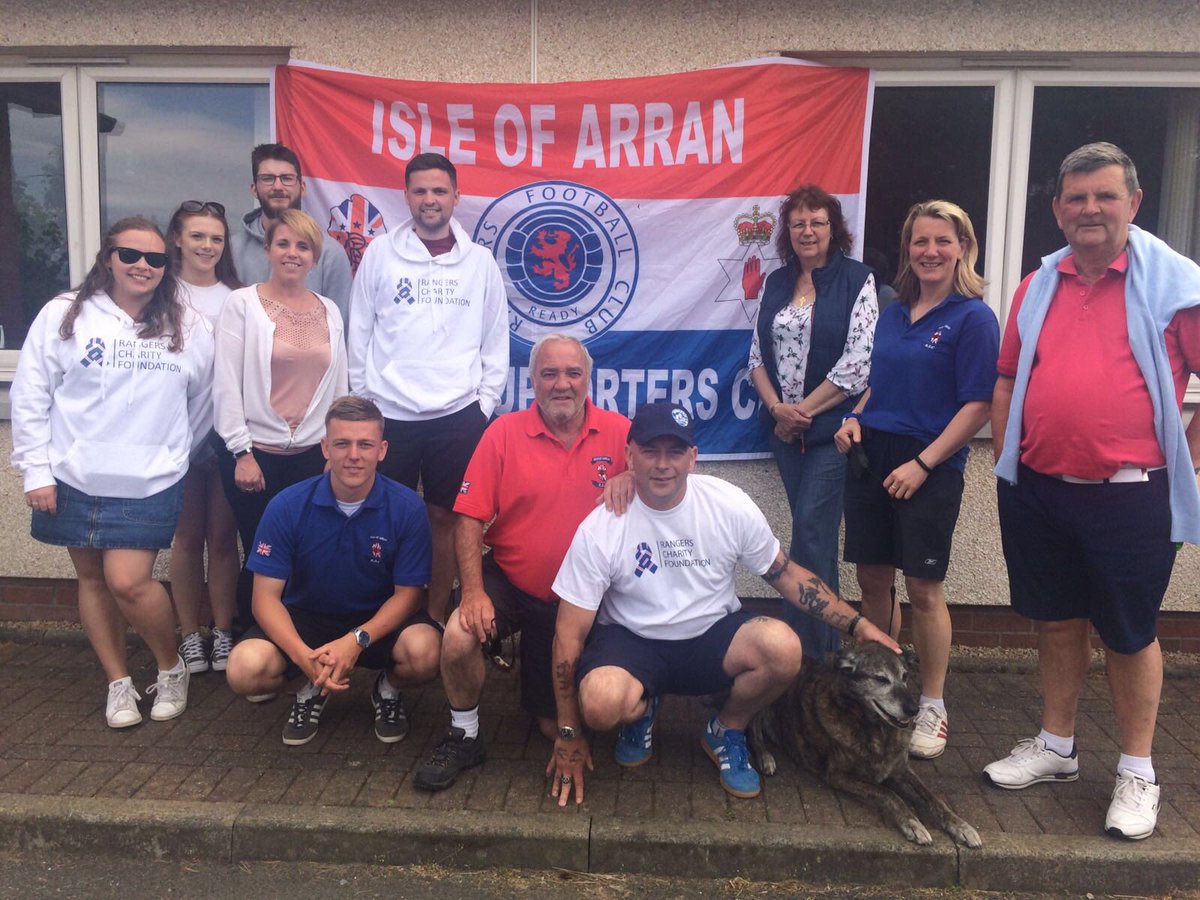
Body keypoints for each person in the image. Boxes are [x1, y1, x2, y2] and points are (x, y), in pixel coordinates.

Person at [984, 143, 1200, 841]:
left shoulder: (1176, 288)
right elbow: (1008, 378)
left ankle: (1138, 771)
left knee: (1129, 634)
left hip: (1132, 497)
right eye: (1076, 198)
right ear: (1057, 210)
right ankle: (1057, 746)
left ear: (1134, 203)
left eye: (1105, 196)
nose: (1090, 209)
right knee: (1055, 620)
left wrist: (1187, 464)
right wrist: (1008, 459)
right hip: (1040, 489)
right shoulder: (1036, 285)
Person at [547, 402, 899, 806]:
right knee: (600, 704)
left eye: (675, 452)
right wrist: (569, 733)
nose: (662, 464)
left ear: (693, 458)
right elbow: (568, 635)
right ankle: (641, 709)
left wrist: (858, 625)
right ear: (629, 456)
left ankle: (726, 728)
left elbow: (786, 575)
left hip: (709, 636)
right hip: (632, 641)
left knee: (784, 647)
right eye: (650, 451)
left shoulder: (728, 504)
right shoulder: (602, 526)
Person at [10, 216, 214, 728]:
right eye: (130, 255)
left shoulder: (187, 324)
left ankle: (169, 667)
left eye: (156, 259)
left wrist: (172, 453)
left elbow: (202, 401)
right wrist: (36, 471)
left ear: (166, 266)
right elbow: (31, 394)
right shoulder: (65, 314)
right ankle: (118, 682)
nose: (143, 266)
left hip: (150, 479)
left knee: (129, 581)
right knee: (93, 580)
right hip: (74, 475)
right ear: (108, 258)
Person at [413, 334, 631, 792]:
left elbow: (670, 478)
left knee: (556, 725)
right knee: (459, 633)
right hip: (514, 582)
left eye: (573, 373)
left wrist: (632, 475)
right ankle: (465, 734)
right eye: (549, 374)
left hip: (586, 599)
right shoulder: (503, 433)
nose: (561, 384)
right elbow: (469, 517)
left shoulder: (620, 431)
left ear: (588, 379)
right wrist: (473, 593)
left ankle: (548, 691)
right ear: (532, 380)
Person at [833, 200, 998, 761]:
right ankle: (881, 685)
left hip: (929, 462)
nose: (930, 251)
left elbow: (978, 405)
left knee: (923, 589)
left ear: (963, 248)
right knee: (873, 579)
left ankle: (932, 704)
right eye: (920, 241)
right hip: (873, 454)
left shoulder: (973, 318)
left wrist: (924, 463)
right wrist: (855, 416)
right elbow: (878, 384)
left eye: (942, 241)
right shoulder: (894, 311)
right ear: (908, 248)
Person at [224, 396, 441, 746]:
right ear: (325, 447)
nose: (353, 455)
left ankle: (388, 688)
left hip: (377, 623)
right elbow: (264, 599)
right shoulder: (287, 505)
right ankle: (311, 686)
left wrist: (356, 640)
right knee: (244, 670)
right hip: (307, 620)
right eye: (342, 444)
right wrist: (304, 658)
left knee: (427, 653)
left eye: (365, 444)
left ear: (382, 450)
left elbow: (409, 595)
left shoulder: (407, 507)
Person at [348, 152, 509, 625]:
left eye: (439, 190)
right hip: (390, 414)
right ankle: (385, 622)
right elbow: (359, 332)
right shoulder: (380, 254)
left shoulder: (479, 262)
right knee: (385, 517)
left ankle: (435, 617)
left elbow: (495, 338)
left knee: (446, 517)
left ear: (456, 196)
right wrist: (366, 405)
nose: (430, 200)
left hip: (458, 415)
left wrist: (483, 405)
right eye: (420, 191)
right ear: (406, 196)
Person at [748, 184, 878, 659]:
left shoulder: (858, 280)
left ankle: (810, 656)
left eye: (817, 222)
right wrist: (777, 411)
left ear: (833, 229)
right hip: (785, 435)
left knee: (808, 532)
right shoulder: (777, 283)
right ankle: (819, 655)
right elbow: (756, 356)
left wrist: (802, 412)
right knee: (815, 540)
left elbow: (858, 364)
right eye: (798, 223)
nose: (807, 231)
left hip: (831, 434)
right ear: (788, 231)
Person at [214, 208, 348, 636]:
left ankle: (298, 642)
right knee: (262, 552)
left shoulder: (330, 310)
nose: (293, 253)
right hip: (254, 455)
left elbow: (339, 387)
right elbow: (226, 384)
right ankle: (253, 641)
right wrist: (241, 452)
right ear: (268, 250)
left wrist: (334, 450)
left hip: (311, 456)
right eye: (284, 244)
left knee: (307, 549)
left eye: (303, 246)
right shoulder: (242, 304)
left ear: (315, 257)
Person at [165, 200, 242, 674]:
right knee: (188, 538)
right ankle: (190, 633)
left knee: (223, 537)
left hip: (228, 439)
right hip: (177, 440)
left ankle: (224, 630)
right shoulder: (160, 293)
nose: (207, 246)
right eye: (197, 236)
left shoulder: (237, 297)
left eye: (216, 238)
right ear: (177, 239)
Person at [229, 143, 352, 326]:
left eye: (287, 178)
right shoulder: (232, 249)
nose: (278, 186)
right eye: (268, 178)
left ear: (302, 187)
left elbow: (340, 327)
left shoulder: (330, 253)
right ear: (254, 188)